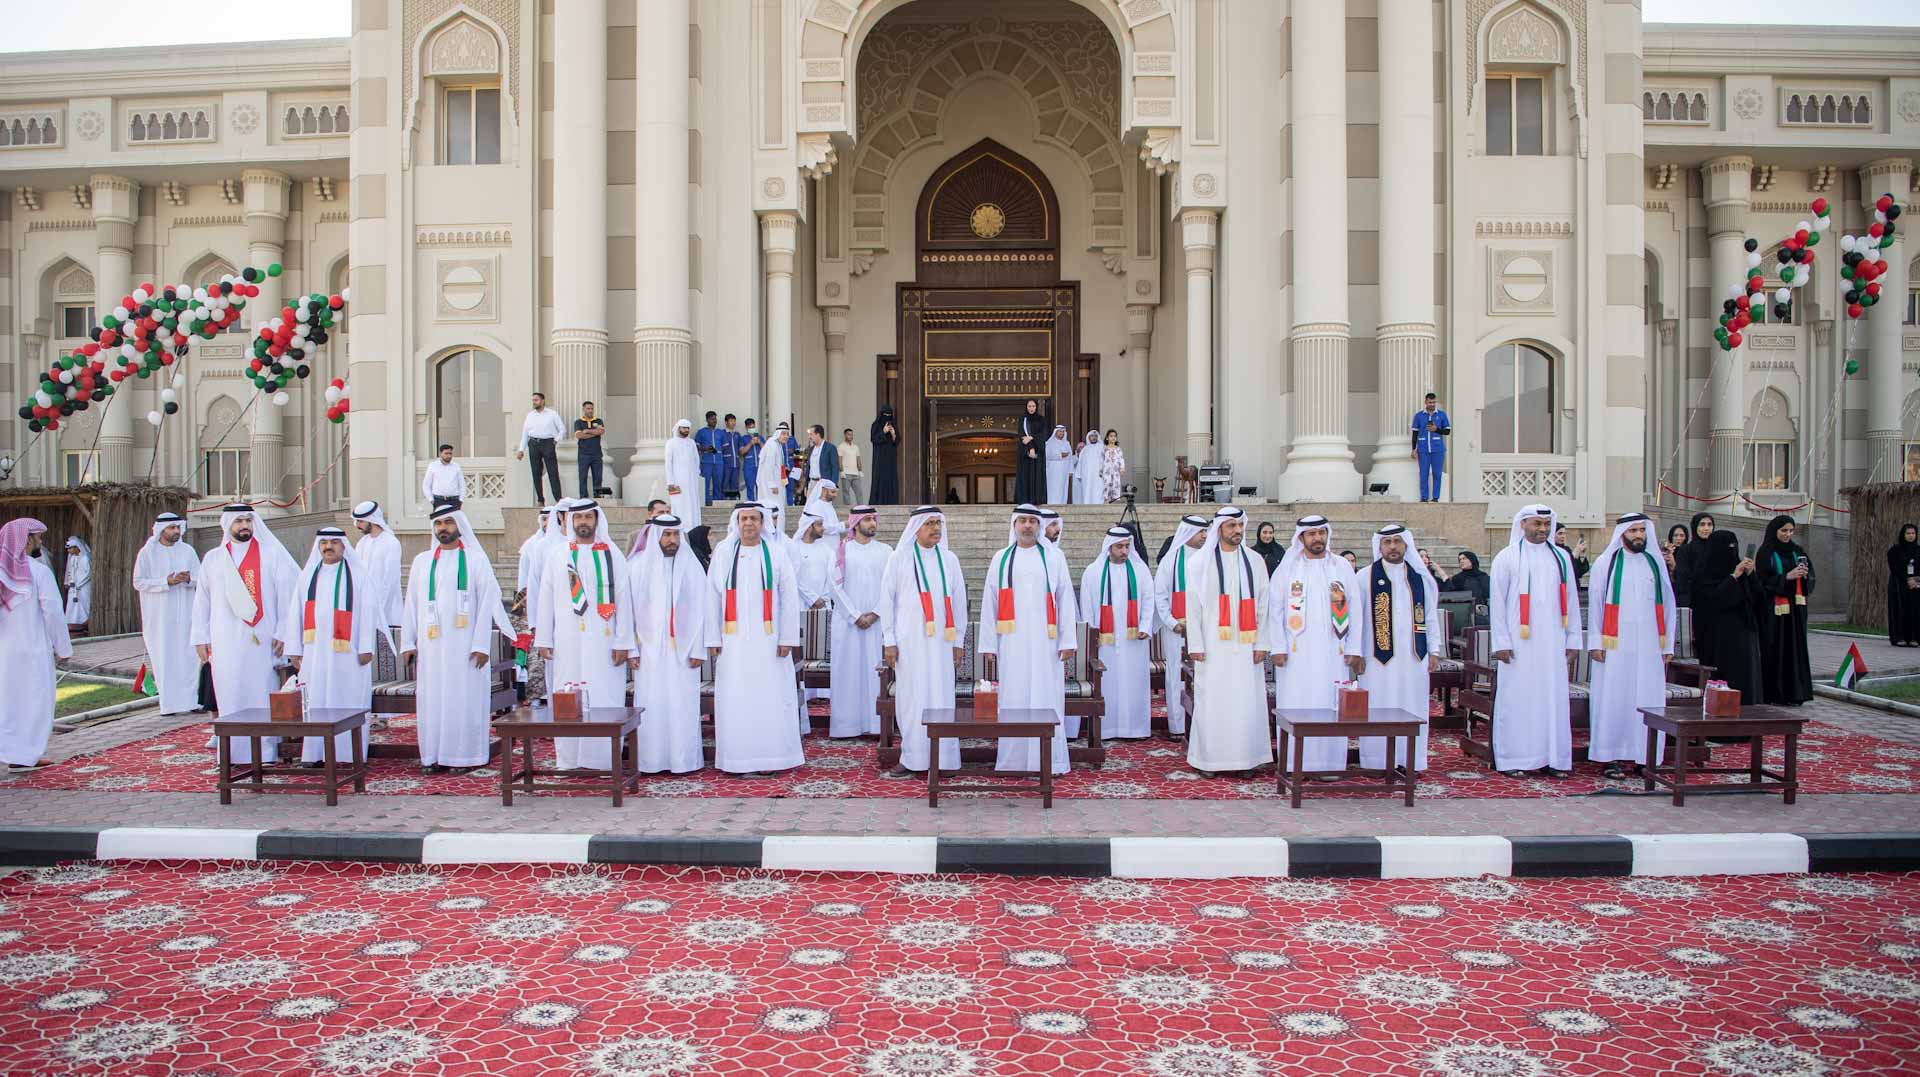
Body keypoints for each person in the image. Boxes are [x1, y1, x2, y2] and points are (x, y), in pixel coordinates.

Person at [400, 505, 510, 773]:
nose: (443, 528)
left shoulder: (476, 560)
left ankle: (464, 757)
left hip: (466, 648)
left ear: (459, 526)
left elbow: (487, 603)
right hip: (431, 647)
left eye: (448, 522)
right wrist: (407, 642)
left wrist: (482, 644)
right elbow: (411, 604)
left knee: (463, 699)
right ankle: (433, 756)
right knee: (433, 700)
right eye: (438, 524)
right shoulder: (422, 561)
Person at [192, 505, 301, 766]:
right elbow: (201, 601)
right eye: (239, 521)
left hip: (262, 638)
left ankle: (264, 753)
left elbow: (288, 595)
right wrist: (199, 637)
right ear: (227, 524)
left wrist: (284, 631)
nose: (244, 526)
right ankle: (230, 753)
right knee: (229, 693)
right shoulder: (213, 559)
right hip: (224, 638)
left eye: (248, 520)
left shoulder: (271, 554)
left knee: (261, 691)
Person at [706, 503, 804, 775]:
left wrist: (787, 638)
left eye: (754, 519)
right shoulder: (724, 553)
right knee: (736, 699)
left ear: (763, 523)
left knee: (770, 698)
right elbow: (712, 596)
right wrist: (712, 636)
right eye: (744, 518)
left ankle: (772, 759)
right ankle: (738, 760)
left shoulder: (776, 552)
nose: (749, 523)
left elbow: (789, 596)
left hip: (770, 643)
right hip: (733, 643)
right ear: (736, 522)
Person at [535, 499, 633, 770]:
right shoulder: (558, 554)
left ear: (597, 520)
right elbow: (545, 596)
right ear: (570, 522)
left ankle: (602, 761)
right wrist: (543, 638)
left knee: (603, 696)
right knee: (567, 697)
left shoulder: (612, 553)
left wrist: (624, 641)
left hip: (605, 640)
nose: (583, 523)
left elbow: (625, 600)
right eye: (578, 518)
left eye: (588, 517)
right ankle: (569, 759)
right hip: (567, 640)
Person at [980, 505, 1077, 776]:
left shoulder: (1055, 557)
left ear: (1039, 525)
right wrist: (988, 643)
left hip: (1047, 644)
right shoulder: (1001, 558)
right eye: (1022, 521)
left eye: (1032, 521)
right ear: (1014, 524)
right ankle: (1014, 762)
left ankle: (1050, 761)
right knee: (1014, 699)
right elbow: (990, 602)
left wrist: (1068, 639)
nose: (1027, 526)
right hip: (1011, 643)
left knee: (1047, 699)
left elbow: (1065, 600)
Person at [1270, 515, 1366, 777]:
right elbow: (1275, 610)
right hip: (1296, 653)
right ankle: (1294, 764)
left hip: (1333, 652)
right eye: (1311, 534)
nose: (1317, 538)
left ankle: (1329, 764)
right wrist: (1277, 646)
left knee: (1331, 705)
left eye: (1321, 533)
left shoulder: (1341, 567)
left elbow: (1355, 609)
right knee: (1297, 704)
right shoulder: (1288, 568)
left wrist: (1354, 648)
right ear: (1301, 538)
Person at [1489, 504, 1579, 779]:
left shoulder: (1562, 558)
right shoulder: (1506, 557)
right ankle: (1514, 758)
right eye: (1536, 524)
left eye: (1546, 524)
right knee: (1518, 699)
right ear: (1523, 525)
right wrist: (1501, 642)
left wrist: (1573, 639)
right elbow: (1498, 604)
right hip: (1518, 644)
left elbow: (1572, 601)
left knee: (1551, 700)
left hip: (1552, 643)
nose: (1542, 529)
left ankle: (1553, 758)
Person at [1585, 513, 1676, 781]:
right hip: (1614, 647)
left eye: (1642, 530)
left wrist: (1667, 644)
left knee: (1648, 700)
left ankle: (1644, 757)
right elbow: (1597, 604)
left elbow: (1668, 605)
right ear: (1623, 532)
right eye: (1634, 530)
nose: (1639, 535)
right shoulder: (1606, 563)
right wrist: (1595, 643)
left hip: (1649, 647)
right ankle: (1610, 758)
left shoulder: (1654, 563)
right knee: (1614, 699)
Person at [278, 527, 377, 768]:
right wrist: (294, 648)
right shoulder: (308, 575)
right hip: (314, 653)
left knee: (347, 700)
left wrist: (366, 646)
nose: (328, 547)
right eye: (324, 542)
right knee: (316, 701)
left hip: (349, 653)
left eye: (334, 542)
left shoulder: (358, 575)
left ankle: (349, 754)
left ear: (344, 546)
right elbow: (295, 614)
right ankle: (314, 754)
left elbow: (368, 613)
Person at [1184, 507, 1271, 776]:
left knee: (1247, 701)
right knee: (1212, 701)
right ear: (1219, 529)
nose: (1237, 530)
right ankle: (1209, 760)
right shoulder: (1200, 562)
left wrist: (1262, 643)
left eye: (1239, 525)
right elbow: (1193, 607)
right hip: (1212, 646)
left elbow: (1263, 605)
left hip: (1246, 646)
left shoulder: (1255, 560)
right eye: (1231, 525)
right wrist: (1195, 644)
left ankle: (1247, 759)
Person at [881, 506, 966, 776]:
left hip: (943, 643)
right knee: (911, 698)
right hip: (909, 643)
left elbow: (960, 602)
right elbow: (887, 601)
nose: (935, 529)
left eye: (938, 523)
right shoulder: (900, 558)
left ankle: (945, 760)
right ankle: (912, 758)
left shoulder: (950, 559)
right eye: (929, 523)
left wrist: (959, 641)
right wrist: (889, 640)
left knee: (942, 697)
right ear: (916, 527)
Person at [627, 514, 706, 774]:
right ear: (656, 536)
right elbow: (626, 612)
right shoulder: (637, 567)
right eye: (666, 535)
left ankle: (684, 761)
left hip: (684, 651)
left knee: (682, 705)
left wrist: (699, 649)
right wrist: (631, 649)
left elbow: (703, 610)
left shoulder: (692, 566)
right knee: (652, 706)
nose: (671, 540)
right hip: (648, 651)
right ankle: (651, 761)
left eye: (675, 535)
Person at [1359, 525, 1437, 774]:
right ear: (1379, 546)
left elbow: (1431, 616)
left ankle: (1410, 760)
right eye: (1387, 542)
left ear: (1406, 545)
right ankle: (1376, 762)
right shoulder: (1364, 577)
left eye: (1397, 541)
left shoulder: (1421, 579)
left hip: (1415, 657)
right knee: (1377, 705)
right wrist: (1356, 653)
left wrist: (1434, 649)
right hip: (1375, 659)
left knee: (1413, 705)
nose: (1392, 546)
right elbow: (1357, 619)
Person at [0, 519, 70, 772]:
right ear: (26, 540)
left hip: (4, 653)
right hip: (32, 649)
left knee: (7, 701)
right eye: (37, 537)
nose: (40, 542)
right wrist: (64, 649)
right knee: (34, 700)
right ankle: (25, 754)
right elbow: (52, 611)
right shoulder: (38, 571)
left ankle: (16, 752)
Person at [1082, 527, 1155, 739]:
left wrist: (1145, 626)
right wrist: (1092, 634)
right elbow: (1086, 606)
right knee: (1108, 683)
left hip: (1134, 639)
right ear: (1109, 547)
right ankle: (1107, 729)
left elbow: (1149, 600)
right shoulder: (1093, 572)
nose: (1124, 551)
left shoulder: (1140, 571)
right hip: (1105, 641)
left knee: (1134, 681)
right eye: (1119, 546)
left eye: (1126, 546)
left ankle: (1136, 729)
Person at [828, 506, 888, 738]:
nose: (873, 523)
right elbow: (834, 586)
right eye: (868, 519)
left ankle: (876, 725)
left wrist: (874, 613)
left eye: (874, 519)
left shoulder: (886, 551)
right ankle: (847, 726)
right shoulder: (841, 551)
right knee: (848, 674)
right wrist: (855, 615)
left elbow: (891, 588)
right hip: (847, 625)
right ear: (856, 523)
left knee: (876, 675)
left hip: (877, 624)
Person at [132, 512, 200, 715]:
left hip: (186, 614)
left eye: (178, 528)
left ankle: (192, 701)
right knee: (165, 657)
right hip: (159, 617)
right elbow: (138, 582)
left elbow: (201, 578)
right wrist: (166, 582)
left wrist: (188, 579)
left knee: (190, 657)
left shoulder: (188, 551)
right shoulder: (147, 553)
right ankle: (169, 704)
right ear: (161, 530)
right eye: (172, 528)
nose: (176, 531)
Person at [1691, 530, 1764, 704]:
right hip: (1718, 638)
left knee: (1746, 680)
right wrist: (1733, 577)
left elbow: (1759, 599)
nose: (1731, 552)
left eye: (1734, 547)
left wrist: (1751, 575)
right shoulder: (1704, 573)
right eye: (1727, 548)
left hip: (1744, 634)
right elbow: (1713, 600)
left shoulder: (1741, 569)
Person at [1153, 513, 1210, 739]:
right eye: (1200, 532)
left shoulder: (1210, 558)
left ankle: (1204, 727)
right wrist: (1171, 622)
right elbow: (1160, 595)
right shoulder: (1171, 560)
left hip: (1206, 630)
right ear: (1187, 533)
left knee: (1205, 675)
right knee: (1176, 676)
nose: (1205, 536)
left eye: (1206, 531)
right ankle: (1178, 727)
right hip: (1177, 629)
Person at [1755, 514, 1815, 705]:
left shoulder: (1798, 551)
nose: (1788, 534)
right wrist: (1786, 577)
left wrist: (1804, 576)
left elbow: (1810, 577)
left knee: (1795, 649)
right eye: (1783, 531)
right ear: (1775, 531)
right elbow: (1762, 582)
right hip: (1775, 610)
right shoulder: (1766, 552)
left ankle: (1795, 693)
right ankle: (1774, 693)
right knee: (1775, 647)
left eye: (1791, 531)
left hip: (1796, 610)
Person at [351, 500, 405, 684]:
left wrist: (378, 610)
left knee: (387, 659)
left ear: (371, 519)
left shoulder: (391, 543)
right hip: (365, 609)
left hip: (387, 610)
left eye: (360, 522)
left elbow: (389, 580)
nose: (357, 525)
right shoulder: (361, 544)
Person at [516, 392, 567, 507]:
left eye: (536, 400)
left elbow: (562, 429)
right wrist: (521, 450)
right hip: (534, 443)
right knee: (536, 472)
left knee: (553, 472)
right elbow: (525, 433)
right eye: (533, 400)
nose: (534, 402)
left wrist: (556, 440)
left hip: (548, 442)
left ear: (543, 401)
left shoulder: (552, 414)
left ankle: (558, 498)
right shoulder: (530, 415)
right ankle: (540, 499)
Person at [1410, 392, 1450, 502]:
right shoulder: (1419, 416)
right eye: (1430, 402)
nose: (1432, 404)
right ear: (1425, 402)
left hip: (1438, 449)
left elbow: (1447, 431)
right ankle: (1424, 497)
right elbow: (1415, 433)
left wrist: (1436, 429)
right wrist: (1413, 449)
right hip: (1423, 449)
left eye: (1434, 402)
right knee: (1424, 474)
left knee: (1437, 474)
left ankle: (1435, 498)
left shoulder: (1441, 415)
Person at [663, 418, 701, 525]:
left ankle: (693, 527)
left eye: (688, 428)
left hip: (691, 481)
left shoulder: (692, 443)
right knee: (679, 504)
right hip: (677, 481)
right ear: (678, 428)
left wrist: (696, 475)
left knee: (692, 504)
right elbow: (668, 463)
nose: (686, 430)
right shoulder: (671, 443)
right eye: (684, 428)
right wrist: (670, 482)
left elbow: (696, 460)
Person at [1889, 523, 1920, 646]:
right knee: (1899, 609)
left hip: (1916, 585)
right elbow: (1894, 567)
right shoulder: (1895, 550)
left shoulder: (1918, 550)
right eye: (1908, 533)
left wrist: (1916, 580)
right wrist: (1907, 579)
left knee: (1915, 610)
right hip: (1898, 584)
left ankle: (1914, 638)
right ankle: (1899, 637)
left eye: (1913, 533)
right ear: (1903, 534)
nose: (1911, 536)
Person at [1014, 398, 1049, 505]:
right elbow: (1022, 435)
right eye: (1029, 406)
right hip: (1025, 453)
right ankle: (1024, 499)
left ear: (1036, 407)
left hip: (1038, 452)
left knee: (1037, 475)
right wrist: (1030, 448)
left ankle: (1037, 499)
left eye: (1033, 406)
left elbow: (1044, 434)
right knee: (1025, 475)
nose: (1031, 408)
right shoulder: (1023, 419)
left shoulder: (1041, 419)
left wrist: (1032, 438)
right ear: (1026, 407)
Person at [573, 400, 607, 498]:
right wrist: (594, 433)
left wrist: (587, 431)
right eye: (588, 408)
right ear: (584, 409)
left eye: (592, 409)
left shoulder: (598, 421)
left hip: (596, 453)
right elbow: (579, 435)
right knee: (582, 476)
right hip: (583, 454)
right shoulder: (578, 422)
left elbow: (601, 431)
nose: (590, 411)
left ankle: (597, 497)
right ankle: (583, 498)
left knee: (598, 477)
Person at [758, 423, 793, 511]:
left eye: (787, 434)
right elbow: (768, 466)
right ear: (778, 433)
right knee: (772, 507)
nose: (786, 436)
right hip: (771, 484)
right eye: (783, 434)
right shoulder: (772, 445)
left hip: (777, 481)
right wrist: (772, 484)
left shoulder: (778, 445)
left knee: (778, 506)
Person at [869, 406, 900, 505]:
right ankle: (878, 501)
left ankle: (891, 501)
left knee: (891, 479)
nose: (887, 417)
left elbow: (897, 441)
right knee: (880, 479)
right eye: (885, 415)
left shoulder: (894, 426)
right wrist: (883, 432)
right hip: (880, 460)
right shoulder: (876, 425)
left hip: (891, 460)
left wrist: (894, 434)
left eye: (889, 415)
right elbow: (874, 439)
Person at [423, 443, 466, 511]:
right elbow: (426, 485)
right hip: (438, 500)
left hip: (454, 500)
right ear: (440, 453)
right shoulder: (433, 466)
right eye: (446, 453)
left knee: (453, 521)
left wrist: (460, 500)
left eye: (450, 453)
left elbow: (462, 485)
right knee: (440, 521)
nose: (449, 456)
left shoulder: (456, 466)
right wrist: (431, 500)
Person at [695, 411, 726, 505]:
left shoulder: (720, 432)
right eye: (712, 419)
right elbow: (696, 445)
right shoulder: (701, 432)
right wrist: (705, 449)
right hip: (706, 461)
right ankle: (706, 500)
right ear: (707, 420)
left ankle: (717, 500)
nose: (714, 421)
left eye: (715, 419)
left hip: (718, 461)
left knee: (718, 481)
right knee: (706, 481)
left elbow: (724, 446)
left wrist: (718, 450)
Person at [61, 536, 90, 630]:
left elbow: (88, 574)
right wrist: (72, 582)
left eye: (70, 548)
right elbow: (71, 572)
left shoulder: (86, 558)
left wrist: (79, 584)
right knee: (72, 604)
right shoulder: (73, 559)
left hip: (84, 586)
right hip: (74, 587)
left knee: (83, 602)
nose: (69, 550)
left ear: (76, 547)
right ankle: (72, 621)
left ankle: (84, 622)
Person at [805, 424, 840, 502]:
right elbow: (808, 468)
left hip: (824, 485)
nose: (809, 437)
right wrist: (806, 486)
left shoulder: (830, 448)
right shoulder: (811, 449)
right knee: (810, 510)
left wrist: (833, 485)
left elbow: (835, 467)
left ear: (818, 434)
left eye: (811, 434)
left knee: (823, 509)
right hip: (811, 483)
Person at [1044, 425, 1074, 504]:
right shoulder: (1050, 443)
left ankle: (1062, 503)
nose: (1062, 433)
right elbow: (1047, 455)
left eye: (1063, 432)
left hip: (1064, 470)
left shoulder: (1067, 443)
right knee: (1054, 488)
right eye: (1060, 431)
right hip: (1053, 470)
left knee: (1063, 488)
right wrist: (1060, 455)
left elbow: (1070, 457)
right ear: (1056, 432)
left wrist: (1070, 470)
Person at [1073, 430, 1104, 505]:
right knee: (1087, 491)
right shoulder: (1085, 449)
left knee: (1098, 490)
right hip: (1087, 476)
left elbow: (1105, 461)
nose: (1094, 438)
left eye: (1095, 436)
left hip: (1098, 475)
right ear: (1089, 438)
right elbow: (1080, 462)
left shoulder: (1102, 447)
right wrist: (1079, 474)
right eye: (1092, 436)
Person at [1098, 429, 1127, 503]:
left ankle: (1115, 501)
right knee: (1107, 484)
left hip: (1116, 471)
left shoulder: (1118, 449)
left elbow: (1121, 459)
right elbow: (1101, 460)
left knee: (1116, 485)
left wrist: (1122, 468)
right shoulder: (1104, 448)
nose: (1113, 438)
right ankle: (1106, 500)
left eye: (1114, 436)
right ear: (1107, 438)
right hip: (1106, 471)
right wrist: (1100, 471)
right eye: (1111, 436)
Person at [719, 414, 744, 500]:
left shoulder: (737, 434)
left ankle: (733, 501)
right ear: (726, 422)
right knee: (725, 481)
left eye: (734, 421)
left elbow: (740, 449)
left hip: (736, 462)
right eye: (731, 421)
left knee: (735, 482)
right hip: (726, 462)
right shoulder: (722, 433)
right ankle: (723, 500)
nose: (733, 423)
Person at [740, 418, 765, 502]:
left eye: (753, 427)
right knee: (750, 486)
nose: (752, 429)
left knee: (761, 487)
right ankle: (751, 504)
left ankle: (760, 504)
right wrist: (751, 443)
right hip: (749, 467)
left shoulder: (760, 437)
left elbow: (766, 451)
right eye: (750, 427)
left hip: (760, 466)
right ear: (746, 428)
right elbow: (742, 452)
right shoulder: (743, 438)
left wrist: (759, 442)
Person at [838, 428, 865, 505]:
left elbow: (858, 459)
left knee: (859, 492)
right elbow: (839, 460)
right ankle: (847, 509)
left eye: (852, 434)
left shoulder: (856, 447)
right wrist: (841, 471)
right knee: (846, 493)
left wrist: (860, 470)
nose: (851, 436)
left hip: (855, 473)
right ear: (845, 435)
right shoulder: (841, 446)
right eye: (849, 434)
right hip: (846, 473)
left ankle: (861, 507)